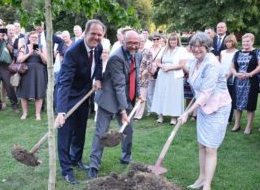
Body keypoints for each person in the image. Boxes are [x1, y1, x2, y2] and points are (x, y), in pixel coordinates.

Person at [178, 32, 232, 190]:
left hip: (218, 108)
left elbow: (207, 93)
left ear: (207, 47)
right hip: (203, 107)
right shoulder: (195, 61)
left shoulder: (212, 64)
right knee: (202, 144)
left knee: (210, 147)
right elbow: (197, 88)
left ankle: (207, 185)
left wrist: (188, 112)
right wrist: (192, 108)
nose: (196, 49)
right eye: (193, 46)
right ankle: (201, 178)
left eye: (200, 46)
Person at [88, 30, 143, 179]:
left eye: (136, 43)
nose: (133, 46)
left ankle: (126, 158)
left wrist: (138, 93)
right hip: (108, 99)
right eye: (130, 42)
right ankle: (94, 165)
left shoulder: (138, 54)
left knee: (128, 131)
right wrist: (123, 110)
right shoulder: (116, 58)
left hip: (125, 98)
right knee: (101, 133)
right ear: (123, 42)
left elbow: (134, 75)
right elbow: (119, 85)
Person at [55, 19, 104, 184]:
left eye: (99, 34)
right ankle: (67, 170)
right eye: (93, 34)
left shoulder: (98, 47)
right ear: (85, 32)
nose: (96, 37)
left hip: (84, 95)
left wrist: (98, 78)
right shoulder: (72, 52)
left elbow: (98, 64)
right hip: (68, 96)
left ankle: (76, 159)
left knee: (80, 131)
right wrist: (61, 112)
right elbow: (64, 82)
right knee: (65, 134)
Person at [231, 33, 260, 134]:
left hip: (251, 82)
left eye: (248, 41)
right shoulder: (237, 53)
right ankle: (237, 124)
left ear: (252, 42)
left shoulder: (257, 52)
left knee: (250, 104)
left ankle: (248, 127)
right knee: (237, 104)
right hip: (238, 82)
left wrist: (250, 74)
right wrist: (236, 74)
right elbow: (232, 66)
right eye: (244, 41)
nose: (245, 43)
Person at [151, 32, 186, 124]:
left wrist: (170, 68)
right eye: (171, 40)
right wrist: (163, 67)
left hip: (175, 75)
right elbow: (157, 62)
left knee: (174, 96)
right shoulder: (163, 49)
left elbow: (182, 65)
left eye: (174, 40)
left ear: (177, 40)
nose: (172, 41)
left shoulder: (181, 50)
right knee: (161, 94)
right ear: (168, 41)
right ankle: (160, 115)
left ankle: (173, 117)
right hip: (163, 74)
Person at [16, 31, 47, 120]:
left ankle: (38, 114)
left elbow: (46, 61)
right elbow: (19, 60)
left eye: (36, 37)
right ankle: (25, 113)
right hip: (26, 71)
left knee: (39, 93)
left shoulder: (42, 47)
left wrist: (40, 54)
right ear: (29, 38)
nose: (34, 39)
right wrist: (29, 53)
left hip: (39, 72)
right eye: (33, 37)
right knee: (24, 93)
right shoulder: (24, 47)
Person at [219, 34, 238, 124]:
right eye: (226, 42)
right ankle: (221, 116)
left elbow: (233, 66)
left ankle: (229, 118)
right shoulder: (222, 52)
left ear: (233, 42)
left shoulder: (237, 52)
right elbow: (220, 64)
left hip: (231, 77)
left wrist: (228, 76)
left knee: (229, 98)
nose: (228, 43)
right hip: (222, 77)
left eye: (230, 41)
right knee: (221, 98)